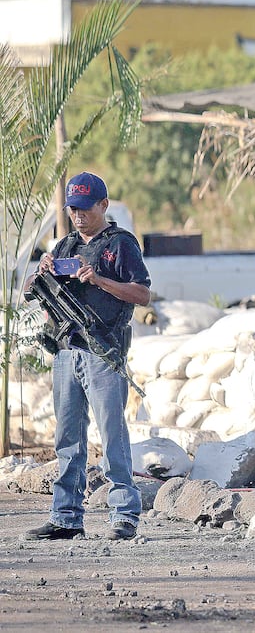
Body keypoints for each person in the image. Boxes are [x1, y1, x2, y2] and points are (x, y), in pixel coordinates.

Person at [23, 172, 152, 542]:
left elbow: (142, 295)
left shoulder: (120, 245)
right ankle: (66, 517)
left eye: (85, 208)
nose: (78, 216)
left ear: (103, 205)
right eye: (73, 209)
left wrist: (98, 280)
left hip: (103, 351)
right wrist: (42, 272)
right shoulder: (64, 246)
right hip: (67, 352)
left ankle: (124, 515)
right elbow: (34, 292)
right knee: (68, 439)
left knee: (112, 436)